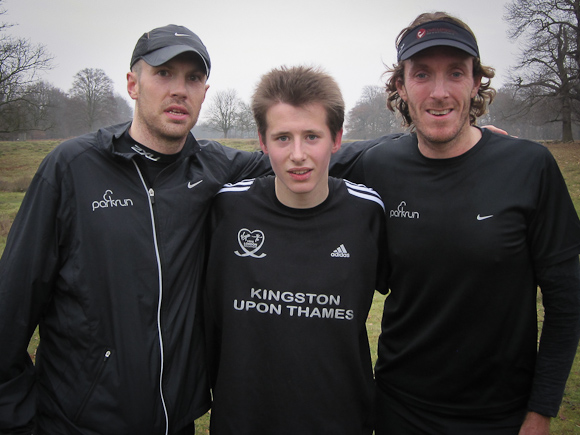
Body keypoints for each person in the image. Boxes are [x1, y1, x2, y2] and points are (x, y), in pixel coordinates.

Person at [0, 24, 272, 434]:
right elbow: (11, 310)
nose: (179, 89)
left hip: (176, 423)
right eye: (164, 73)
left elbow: (302, 156)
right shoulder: (72, 168)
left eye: (193, 78)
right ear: (133, 83)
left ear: (204, 93)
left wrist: (401, 151)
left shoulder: (213, 167)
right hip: (77, 423)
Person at [330, 11, 580, 435]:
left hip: (501, 415)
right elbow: (297, 165)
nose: (439, 92)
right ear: (400, 86)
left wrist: (540, 411)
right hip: (398, 409)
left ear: (476, 82)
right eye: (422, 74)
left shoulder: (529, 166)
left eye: (456, 73)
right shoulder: (376, 166)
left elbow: (567, 300)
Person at [204, 65, 388, 434]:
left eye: (312, 137)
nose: (298, 154)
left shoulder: (368, 211)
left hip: (341, 420)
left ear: (336, 139)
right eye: (283, 137)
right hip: (243, 420)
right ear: (262, 140)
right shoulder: (226, 207)